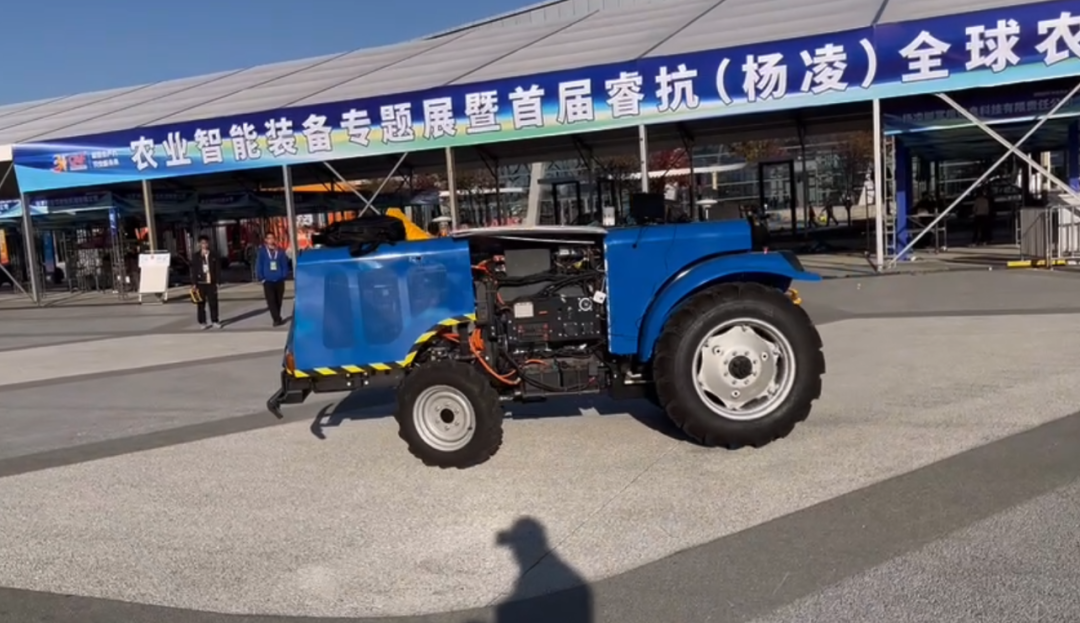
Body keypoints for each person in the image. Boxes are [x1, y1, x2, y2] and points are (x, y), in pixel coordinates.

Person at [255, 232, 290, 327]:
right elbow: (259, 265)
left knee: (278, 300)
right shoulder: (262, 252)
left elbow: (284, 264)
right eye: (269, 238)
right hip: (268, 280)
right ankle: (276, 319)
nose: (271, 240)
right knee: (271, 301)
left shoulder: (280, 251)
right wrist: (261, 277)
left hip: (279, 280)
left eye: (272, 238)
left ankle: (277, 316)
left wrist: (284, 275)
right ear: (266, 240)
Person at [191, 235, 222, 329]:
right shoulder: (196, 256)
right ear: (199, 244)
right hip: (200, 283)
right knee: (201, 303)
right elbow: (193, 270)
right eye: (202, 243)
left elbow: (217, 269)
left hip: (211, 282)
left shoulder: (214, 255)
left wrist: (218, 281)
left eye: (206, 243)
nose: (204, 245)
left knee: (213, 302)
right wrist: (194, 283)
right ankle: (202, 321)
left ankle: (215, 320)